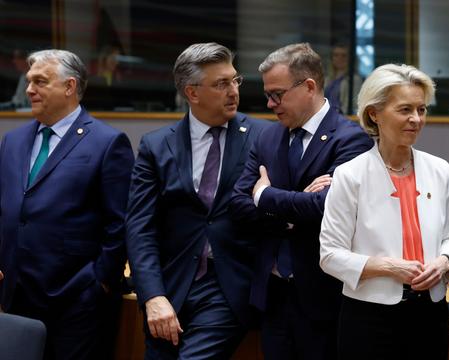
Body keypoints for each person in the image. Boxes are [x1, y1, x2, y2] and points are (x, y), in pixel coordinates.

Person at [230, 42, 372, 360]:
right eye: (268, 94)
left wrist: (265, 195)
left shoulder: (350, 139)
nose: (270, 104)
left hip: (324, 297)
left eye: (277, 94)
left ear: (309, 86)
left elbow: (327, 208)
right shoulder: (267, 137)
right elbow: (238, 204)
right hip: (274, 295)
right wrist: (293, 212)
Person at [126, 42, 267, 359]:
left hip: (228, 287)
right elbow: (140, 227)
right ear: (192, 93)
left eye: (235, 80)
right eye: (221, 84)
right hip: (171, 285)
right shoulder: (156, 146)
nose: (233, 91)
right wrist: (152, 295)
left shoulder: (262, 137)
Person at [319, 63, 449, 359]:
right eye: (405, 110)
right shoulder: (350, 175)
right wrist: (390, 267)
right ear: (374, 114)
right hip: (369, 316)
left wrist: (444, 261)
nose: (416, 119)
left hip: (430, 312)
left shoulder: (440, 169)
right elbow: (330, 255)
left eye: (421, 110)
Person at [0, 49, 134, 359]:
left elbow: (120, 222)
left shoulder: (106, 142)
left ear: (69, 87)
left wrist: (99, 282)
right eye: (29, 81)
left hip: (76, 300)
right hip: (16, 296)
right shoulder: (13, 140)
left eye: (40, 82)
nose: (29, 89)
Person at [324, 44, 362, 115]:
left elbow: (353, 104)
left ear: (350, 58)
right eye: (336, 55)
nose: (339, 58)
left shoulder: (354, 79)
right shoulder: (327, 79)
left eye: (344, 55)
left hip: (342, 119)